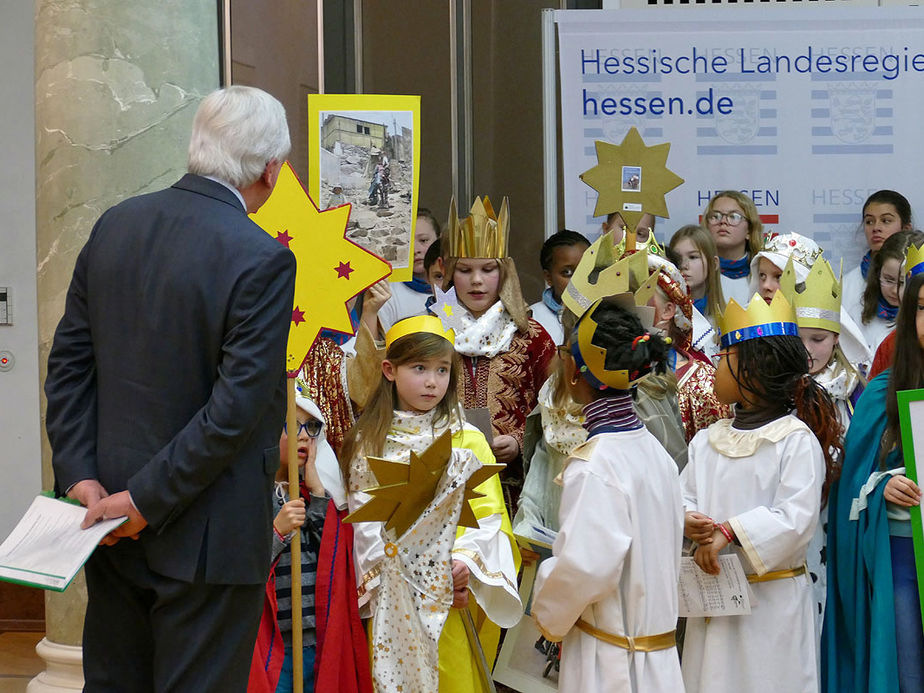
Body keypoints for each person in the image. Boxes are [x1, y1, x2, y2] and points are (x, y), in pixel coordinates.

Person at [44, 86, 296, 692]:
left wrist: (81, 476)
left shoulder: (115, 225)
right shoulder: (261, 257)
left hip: (104, 515)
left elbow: (69, 365)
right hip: (204, 531)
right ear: (271, 171)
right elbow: (235, 410)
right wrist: (146, 501)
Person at [342, 316, 521, 693]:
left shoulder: (466, 440)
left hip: (451, 596)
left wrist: (464, 563)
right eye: (419, 368)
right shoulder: (368, 442)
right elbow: (365, 528)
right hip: (395, 598)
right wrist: (415, 574)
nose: (431, 381)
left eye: (442, 370)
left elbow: (489, 518)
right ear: (389, 370)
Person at [680, 291, 842, 693]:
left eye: (723, 358)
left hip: (772, 606)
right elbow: (683, 497)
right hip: (715, 600)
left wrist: (730, 531)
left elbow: (795, 519)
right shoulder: (708, 440)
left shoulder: (793, 440)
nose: (714, 367)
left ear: (753, 370)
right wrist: (688, 520)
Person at [531, 298, 685, 693]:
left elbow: (586, 569)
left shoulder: (596, 466)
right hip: (656, 656)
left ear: (574, 370)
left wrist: (546, 607)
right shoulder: (653, 451)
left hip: (612, 663)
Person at [825, 270, 924, 693]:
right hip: (900, 559)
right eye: (921, 308)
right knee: (907, 673)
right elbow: (853, 482)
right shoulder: (883, 392)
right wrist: (882, 485)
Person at [441, 196, 556, 511]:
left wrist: (519, 440)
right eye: (465, 269)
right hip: (444, 484)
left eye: (487, 269)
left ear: (504, 272)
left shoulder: (532, 337)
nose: (476, 280)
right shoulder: (433, 333)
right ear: (450, 272)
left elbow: (559, 408)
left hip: (516, 490)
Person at [250, 396, 370, 693]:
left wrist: (317, 492)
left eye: (312, 426)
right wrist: (277, 531)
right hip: (272, 643)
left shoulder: (317, 498)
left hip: (316, 638)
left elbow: (332, 561)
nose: (304, 435)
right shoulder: (252, 499)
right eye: (291, 425)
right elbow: (241, 570)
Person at [648, 254, 730, 441]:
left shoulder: (703, 384)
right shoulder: (607, 375)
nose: (630, 305)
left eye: (642, 294)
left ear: (668, 310)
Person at [842, 190, 912, 333]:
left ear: (906, 228)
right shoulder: (846, 285)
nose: (876, 228)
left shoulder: (919, 277)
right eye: (869, 221)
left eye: (886, 221)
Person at [377, 208, 442, 333]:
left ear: (439, 240)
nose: (415, 250)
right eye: (406, 243)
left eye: (423, 240)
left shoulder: (457, 287)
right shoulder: (387, 294)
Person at [669, 224, 725, 360]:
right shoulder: (665, 317)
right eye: (677, 258)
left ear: (714, 263)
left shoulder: (727, 320)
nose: (683, 265)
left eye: (693, 257)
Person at [859, 230, 918, 355]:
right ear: (877, 273)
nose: (894, 290)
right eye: (889, 280)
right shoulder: (858, 310)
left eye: (902, 282)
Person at [702, 190, 764, 307]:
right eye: (715, 216)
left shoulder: (763, 274)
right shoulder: (696, 273)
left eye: (734, 216)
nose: (723, 222)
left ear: (749, 230)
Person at [529, 229, 591, 345]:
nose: (579, 279)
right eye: (567, 272)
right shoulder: (534, 320)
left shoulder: (606, 313)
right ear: (549, 278)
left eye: (586, 270)